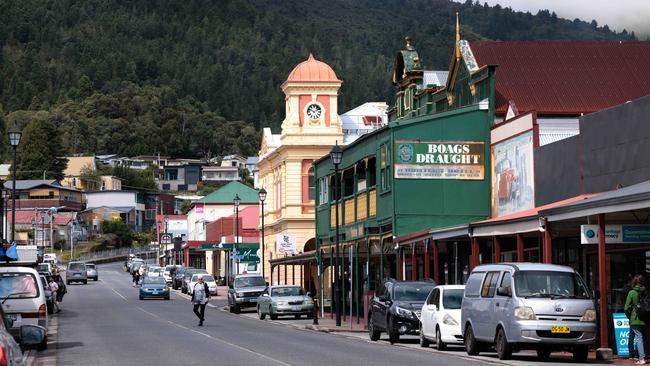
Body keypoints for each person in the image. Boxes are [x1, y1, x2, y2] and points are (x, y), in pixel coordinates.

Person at [625, 274, 647, 365]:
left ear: (634, 282)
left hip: (635, 318)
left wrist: (629, 316)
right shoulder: (646, 291)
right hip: (645, 318)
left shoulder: (632, 292)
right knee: (643, 337)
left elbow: (626, 308)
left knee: (638, 338)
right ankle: (640, 356)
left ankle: (641, 358)